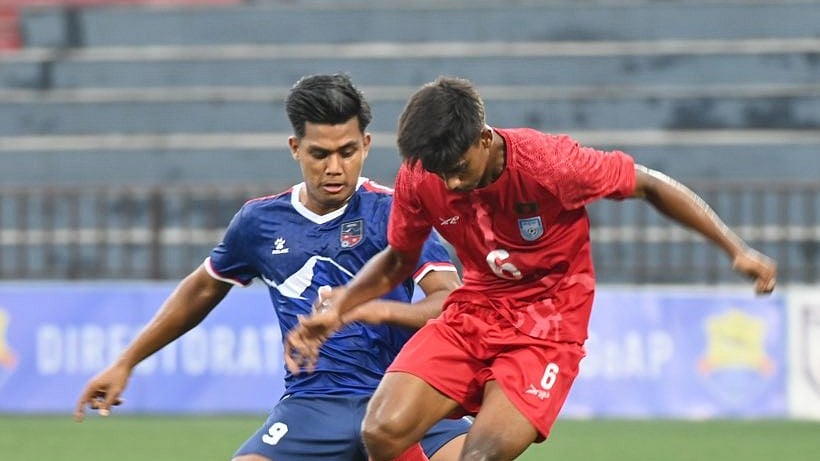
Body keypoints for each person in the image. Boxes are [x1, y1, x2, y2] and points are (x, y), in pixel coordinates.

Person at [284, 76, 778, 461]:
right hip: (474, 311)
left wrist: (735, 248)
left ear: (483, 139)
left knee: (480, 455)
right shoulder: (422, 175)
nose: (450, 184)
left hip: (548, 325)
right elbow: (398, 259)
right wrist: (343, 307)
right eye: (439, 173)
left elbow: (647, 183)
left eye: (458, 168)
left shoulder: (552, 165)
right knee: (381, 432)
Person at [73, 73, 472, 461]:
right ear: (296, 148)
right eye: (320, 154)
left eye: (347, 152)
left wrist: (372, 309)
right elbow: (201, 289)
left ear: (366, 145)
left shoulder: (394, 210)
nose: (335, 167)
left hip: (400, 392)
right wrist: (126, 362)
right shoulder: (260, 222)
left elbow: (450, 301)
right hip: (312, 407)